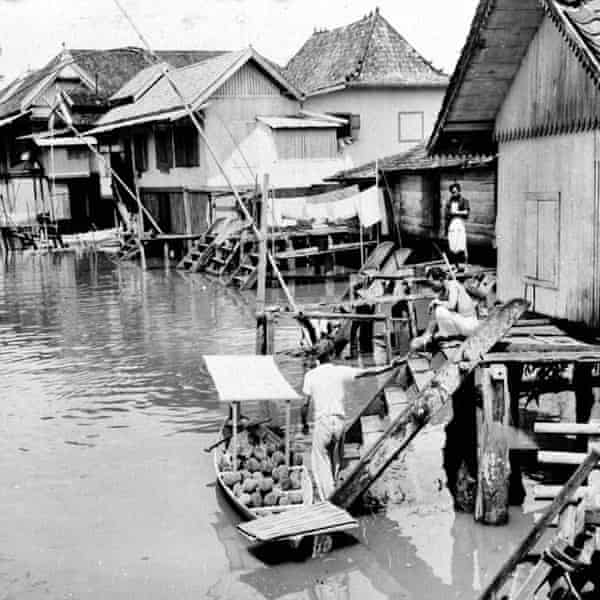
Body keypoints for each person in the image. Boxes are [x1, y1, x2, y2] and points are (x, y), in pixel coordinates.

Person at [301, 339, 403, 499]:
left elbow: (305, 405)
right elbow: (367, 372)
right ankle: (335, 488)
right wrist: (389, 366)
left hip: (323, 423)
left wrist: (304, 424)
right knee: (336, 461)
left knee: (319, 460)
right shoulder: (339, 371)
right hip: (340, 423)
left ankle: (329, 499)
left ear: (317, 358)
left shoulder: (310, 375)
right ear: (332, 354)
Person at [410, 266, 479, 351]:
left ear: (441, 279)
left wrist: (436, 302)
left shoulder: (453, 285)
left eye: (432, 283)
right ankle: (427, 335)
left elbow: (451, 305)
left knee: (439, 310)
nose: (432, 287)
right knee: (437, 308)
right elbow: (434, 316)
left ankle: (448, 337)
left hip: (470, 324)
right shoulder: (443, 292)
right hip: (462, 324)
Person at [445, 183, 470, 267]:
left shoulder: (464, 200)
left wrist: (456, 212)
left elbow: (466, 212)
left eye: (455, 191)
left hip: (459, 223)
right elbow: (446, 215)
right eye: (452, 192)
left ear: (459, 191)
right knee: (453, 246)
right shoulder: (449, 201)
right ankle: (456, 266)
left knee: (462, 244)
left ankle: (466, 266)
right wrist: (446, 228)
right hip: (452, 223)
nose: (453, 193)